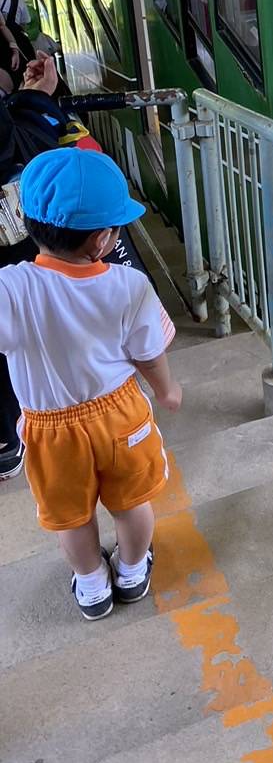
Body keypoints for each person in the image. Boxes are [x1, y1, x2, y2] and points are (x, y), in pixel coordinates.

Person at [0, 149, 182, 618]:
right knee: (131, 502)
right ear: (103, 240)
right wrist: (166, 391)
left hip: (50, 430)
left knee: (72, 517)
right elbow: (148, 353)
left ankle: (92, 585)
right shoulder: (129, 286)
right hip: (120, 415)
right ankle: (131, 567)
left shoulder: (11, 288)